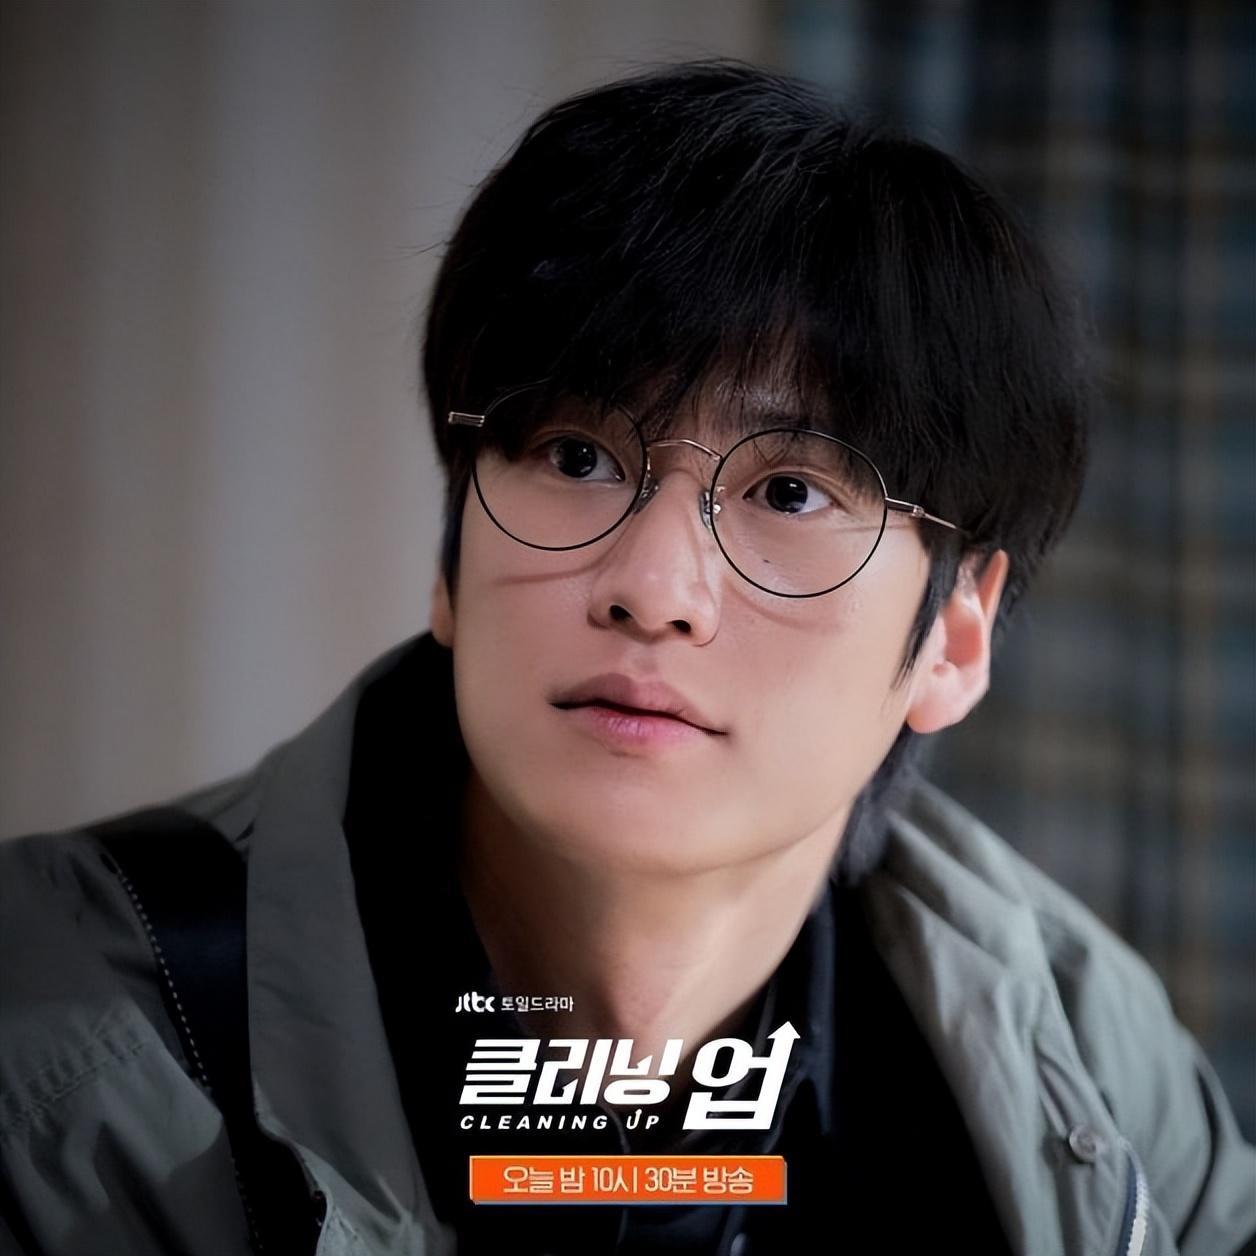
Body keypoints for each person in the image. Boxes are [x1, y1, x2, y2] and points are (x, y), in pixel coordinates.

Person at [1, 61, 1252, 1256]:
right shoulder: (61, 1050)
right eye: (577, 457)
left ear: (952, 635)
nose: (651, 590)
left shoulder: (1091, 1068)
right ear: (451, 551)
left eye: (790, 490)